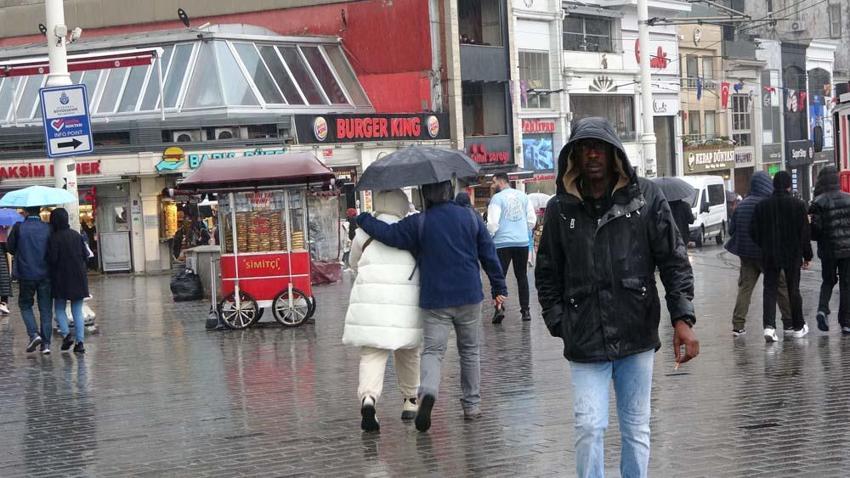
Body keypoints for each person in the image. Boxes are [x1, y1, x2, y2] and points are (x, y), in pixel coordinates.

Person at [535, 117, 698, 478]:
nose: (592, 155)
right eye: (584, 148)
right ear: (573, 155)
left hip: (636, 331)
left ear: (614, 154)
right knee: (589, 426)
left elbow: (673, 260)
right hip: (584, 336)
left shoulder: (647, 198)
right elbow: (546, 270)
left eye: (599, 147)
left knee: (636, 428)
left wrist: (682, 319)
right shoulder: (561, 208)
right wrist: (560, 321)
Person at [356, 180, 507, 432]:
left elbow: (388, 234)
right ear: (449, 192)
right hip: (469, 294)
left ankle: (427, 392)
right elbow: (488, 253)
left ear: (425, 194)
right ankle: (472, 405)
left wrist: (362, 219)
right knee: (469, 351)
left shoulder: (420, 222)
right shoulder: (470, 218)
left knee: (433, 352)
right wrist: (499, 288)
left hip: (435, 298)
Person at [342, 190, 423, 432]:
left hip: (371, 301)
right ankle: (410, 401)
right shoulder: (409, 228)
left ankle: (369, 399)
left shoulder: (364, 231)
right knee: (408, 351)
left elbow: (352, 263)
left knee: (372, 354)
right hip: (405, 298)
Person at [724, 172, 794, 337]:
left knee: (745, 289)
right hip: (766, 254)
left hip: (746, 254)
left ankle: (738, 325)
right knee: (780, 286)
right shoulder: (768, 204)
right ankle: (789, 322)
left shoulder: (741, 205)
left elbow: (731, 230)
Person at [750, 171, 813, 342]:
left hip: (770, 254)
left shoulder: (762, 206)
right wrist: (807, 256)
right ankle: (798, 326)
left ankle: (769, 327)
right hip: (792, 254)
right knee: (794, 289)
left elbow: (753, 231)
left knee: (769, 289)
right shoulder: (798, 205)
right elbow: (804, 234)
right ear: (788, 186)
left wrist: (764, 244)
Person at [487, 173, 536, 323]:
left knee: (498, 277)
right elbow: (531, 220)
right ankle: (526, 311)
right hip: (521, 242)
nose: (492, 185)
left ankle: (499, 308)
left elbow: (493, 223)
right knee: (521, 277)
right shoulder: (523, 196)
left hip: (502, 243)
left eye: (493, 182)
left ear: (500, 181)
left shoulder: (497, 199)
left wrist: (490, 236)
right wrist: (523, 231)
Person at [7, 206, 55, 354]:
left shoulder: (18, 227)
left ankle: (33, 334)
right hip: (45, 274)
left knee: (25, 304)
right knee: (46, 309)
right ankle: (46, 344)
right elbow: (52, 249)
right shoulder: (48, 228)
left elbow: (10, 248)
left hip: (26, 274)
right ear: (39, 211)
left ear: (25, 212)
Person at [809, 166, 850, 333]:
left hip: (827, 250)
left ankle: (822, 309)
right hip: (848, 250)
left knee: (828, 281)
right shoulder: (848, 199)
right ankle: (846, 322)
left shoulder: (818, 202)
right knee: (847, 284)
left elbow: (815, 231)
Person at [47, 208, 89, 354]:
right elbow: (86, 255)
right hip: (78, 277)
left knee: (59, 308)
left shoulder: (54, 238)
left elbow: (52, 259)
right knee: (77, 310)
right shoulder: (76, 235)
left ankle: (66, 335)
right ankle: (80, 343)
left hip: (60, 279)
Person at [0, 224, 13, 315]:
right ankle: (3, 304)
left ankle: (3, 304)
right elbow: (8, 249)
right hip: (2, 264)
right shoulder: (2, 232)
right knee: (4, 283)